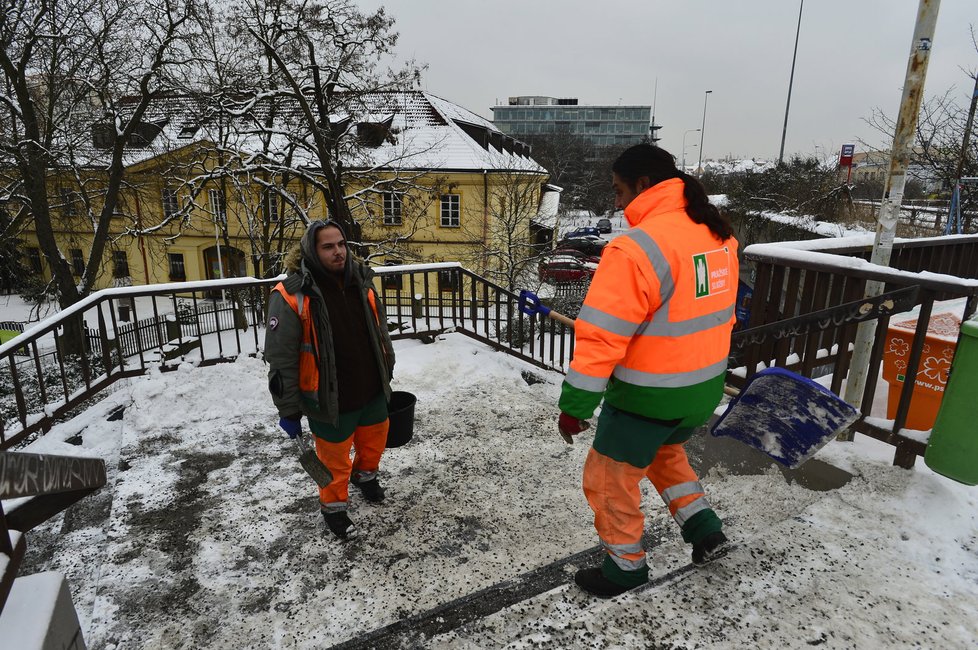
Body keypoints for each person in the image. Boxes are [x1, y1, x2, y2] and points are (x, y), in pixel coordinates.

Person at [557, 144, 739, 598]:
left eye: (619, 190)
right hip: (700, 391)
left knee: (607, 481)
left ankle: (625, 568)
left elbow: (601, 337)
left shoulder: (636, 249)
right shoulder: (716, 235)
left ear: (643, 184)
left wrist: (575, 405)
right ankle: (704, 529)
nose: (617, 203)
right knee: (664, 455)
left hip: (648, 396)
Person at [265, 219, 395, 539]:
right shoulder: (292, 294)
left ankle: (365, 477)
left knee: (374, 443)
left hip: (371, 388)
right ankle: (334, 508)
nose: (338, 252)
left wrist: (387, 368)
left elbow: (380, 331)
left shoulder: (360, 281)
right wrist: (289, 409)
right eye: (328, 246)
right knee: (333, 463)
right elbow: (281, 358)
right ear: (312, 250)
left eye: (341, 244)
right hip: (328, 398)